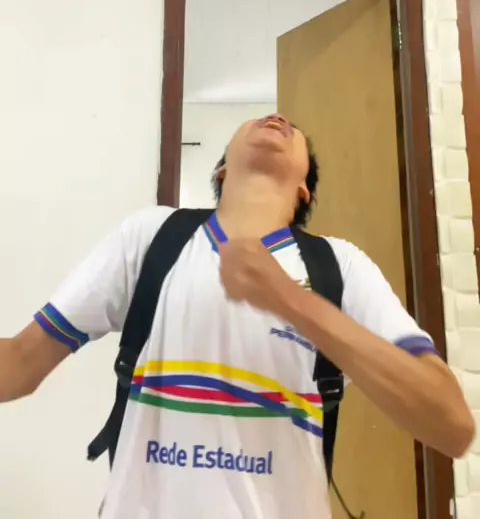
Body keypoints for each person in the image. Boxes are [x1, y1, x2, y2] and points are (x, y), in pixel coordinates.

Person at [0, 114, 475, 519]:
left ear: (305, 191)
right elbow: (20, 363)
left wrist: (292, 301)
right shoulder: (151, 237)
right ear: (223, 168)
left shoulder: (340, 267)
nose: (278, 118)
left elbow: (451, 425)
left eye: (295, 130)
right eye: (259, 119)